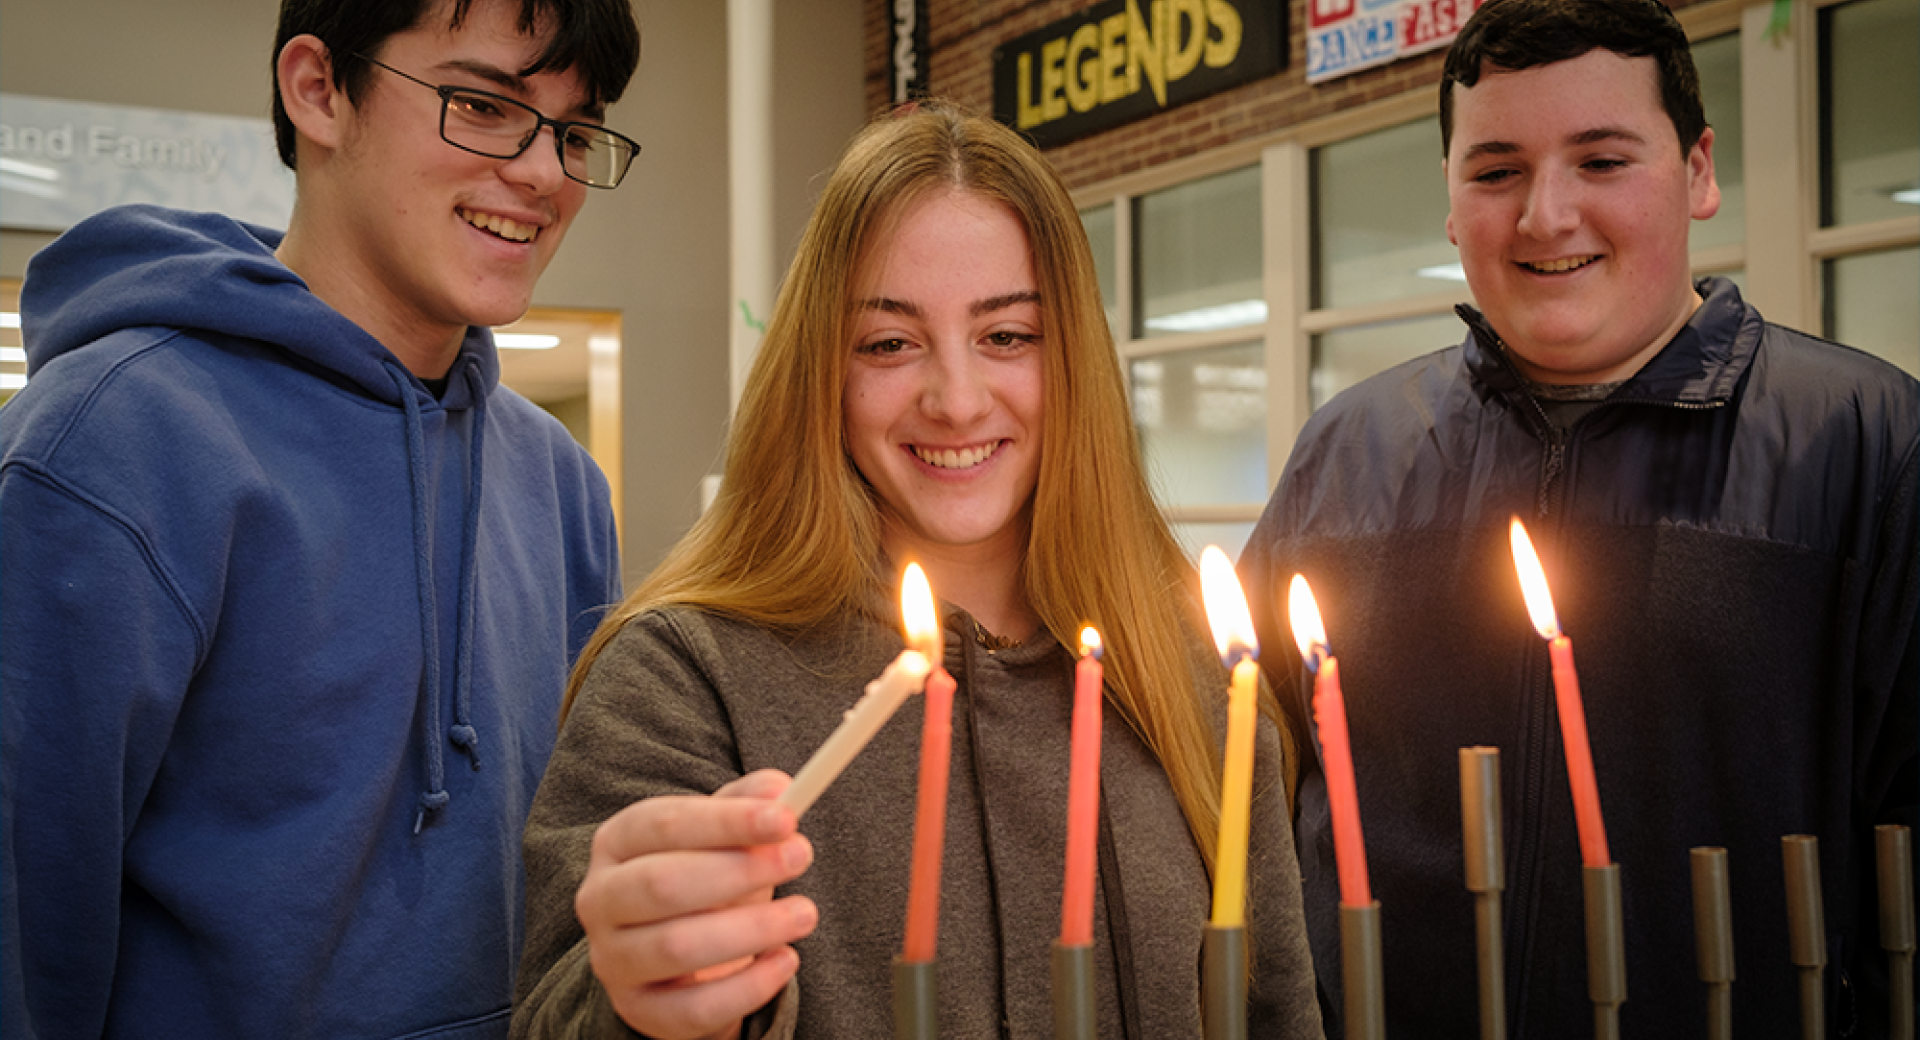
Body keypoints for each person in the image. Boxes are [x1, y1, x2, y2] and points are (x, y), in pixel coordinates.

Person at [510, 99, 1325, 1040]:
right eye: (890, 343)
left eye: (1008, 335)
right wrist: (646, 993)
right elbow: (566, 1013)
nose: (956, 399)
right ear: (824, 368)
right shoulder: (681, 680)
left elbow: (1276, 1007)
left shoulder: (1190, 674)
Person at [1238, 0, 1918, 1035]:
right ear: (1452, 199)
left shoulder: (1868, 444)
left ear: (1697, 171)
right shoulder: (1346, 454)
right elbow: (1246, 791)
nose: (1545, 214)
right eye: (1497, 169)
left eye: (1602, 161)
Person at [0, 0, 639, 1035]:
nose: (544, 174)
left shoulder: (562, 482)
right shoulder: (106, 449)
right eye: (482, 105)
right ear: (317, 90)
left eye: (573, 131)